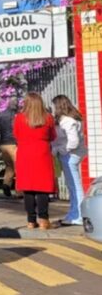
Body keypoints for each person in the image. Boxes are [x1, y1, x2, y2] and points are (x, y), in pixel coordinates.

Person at [14, 92, 57, 230]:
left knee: (28, 189)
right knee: (42, 188)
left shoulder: (19, 118)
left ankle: (31, 221)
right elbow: (53, 136)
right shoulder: (48, 118)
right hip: (42, 153)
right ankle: (44, 220)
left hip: (25, 154)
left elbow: (16, 134)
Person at [51, 95, 87, 226]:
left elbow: (73, 142)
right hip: (73, 154)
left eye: (55, 106)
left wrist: (61, 150)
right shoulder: (74, 118)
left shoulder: (67, 121)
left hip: (70, 155)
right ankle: (74, 213)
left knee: (74, 186)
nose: (54, 109)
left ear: (59, 106)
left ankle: (78, 215)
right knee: (72, 186)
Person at [0, 97, 19, 197]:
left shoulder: (1, 115)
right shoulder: (14, 115)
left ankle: (6, 184)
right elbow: (15, 128)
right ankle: (20, 191)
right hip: (12, 143)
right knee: (18, 166)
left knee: (9, 166)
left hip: (3, 144)